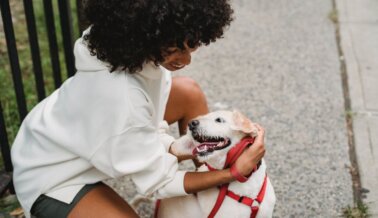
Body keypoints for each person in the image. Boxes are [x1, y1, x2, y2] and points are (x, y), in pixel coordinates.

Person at [11, 0, 266, 217]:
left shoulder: (138, 53)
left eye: (191, 46)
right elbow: (157, 185)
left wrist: (189, 148)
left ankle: (208, 190)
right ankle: (212, 181)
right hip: (52, 176)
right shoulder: (120, 98)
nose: (187, 60)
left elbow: (150, 129)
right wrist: (233, 173)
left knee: (188, 93)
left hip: (70, 134)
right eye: (176, 49)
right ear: (145, 35)